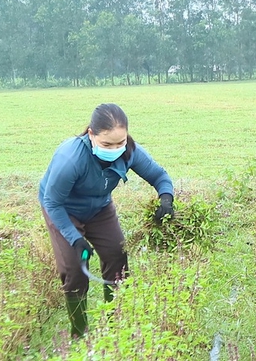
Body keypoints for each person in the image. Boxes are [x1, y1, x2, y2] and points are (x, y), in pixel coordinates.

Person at [38, 103, 176, 337]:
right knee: (74, 269)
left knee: (117, 256)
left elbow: (158, 175)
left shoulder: (130, 150)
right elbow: (53, 203)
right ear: (91, 135)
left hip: (99, 207)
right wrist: (74, 238)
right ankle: (79, 333)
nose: (115, 149)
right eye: (107, 144)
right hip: (64, 209)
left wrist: (166, 199)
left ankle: (116, 325)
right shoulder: (71, 158)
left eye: (120, 143)